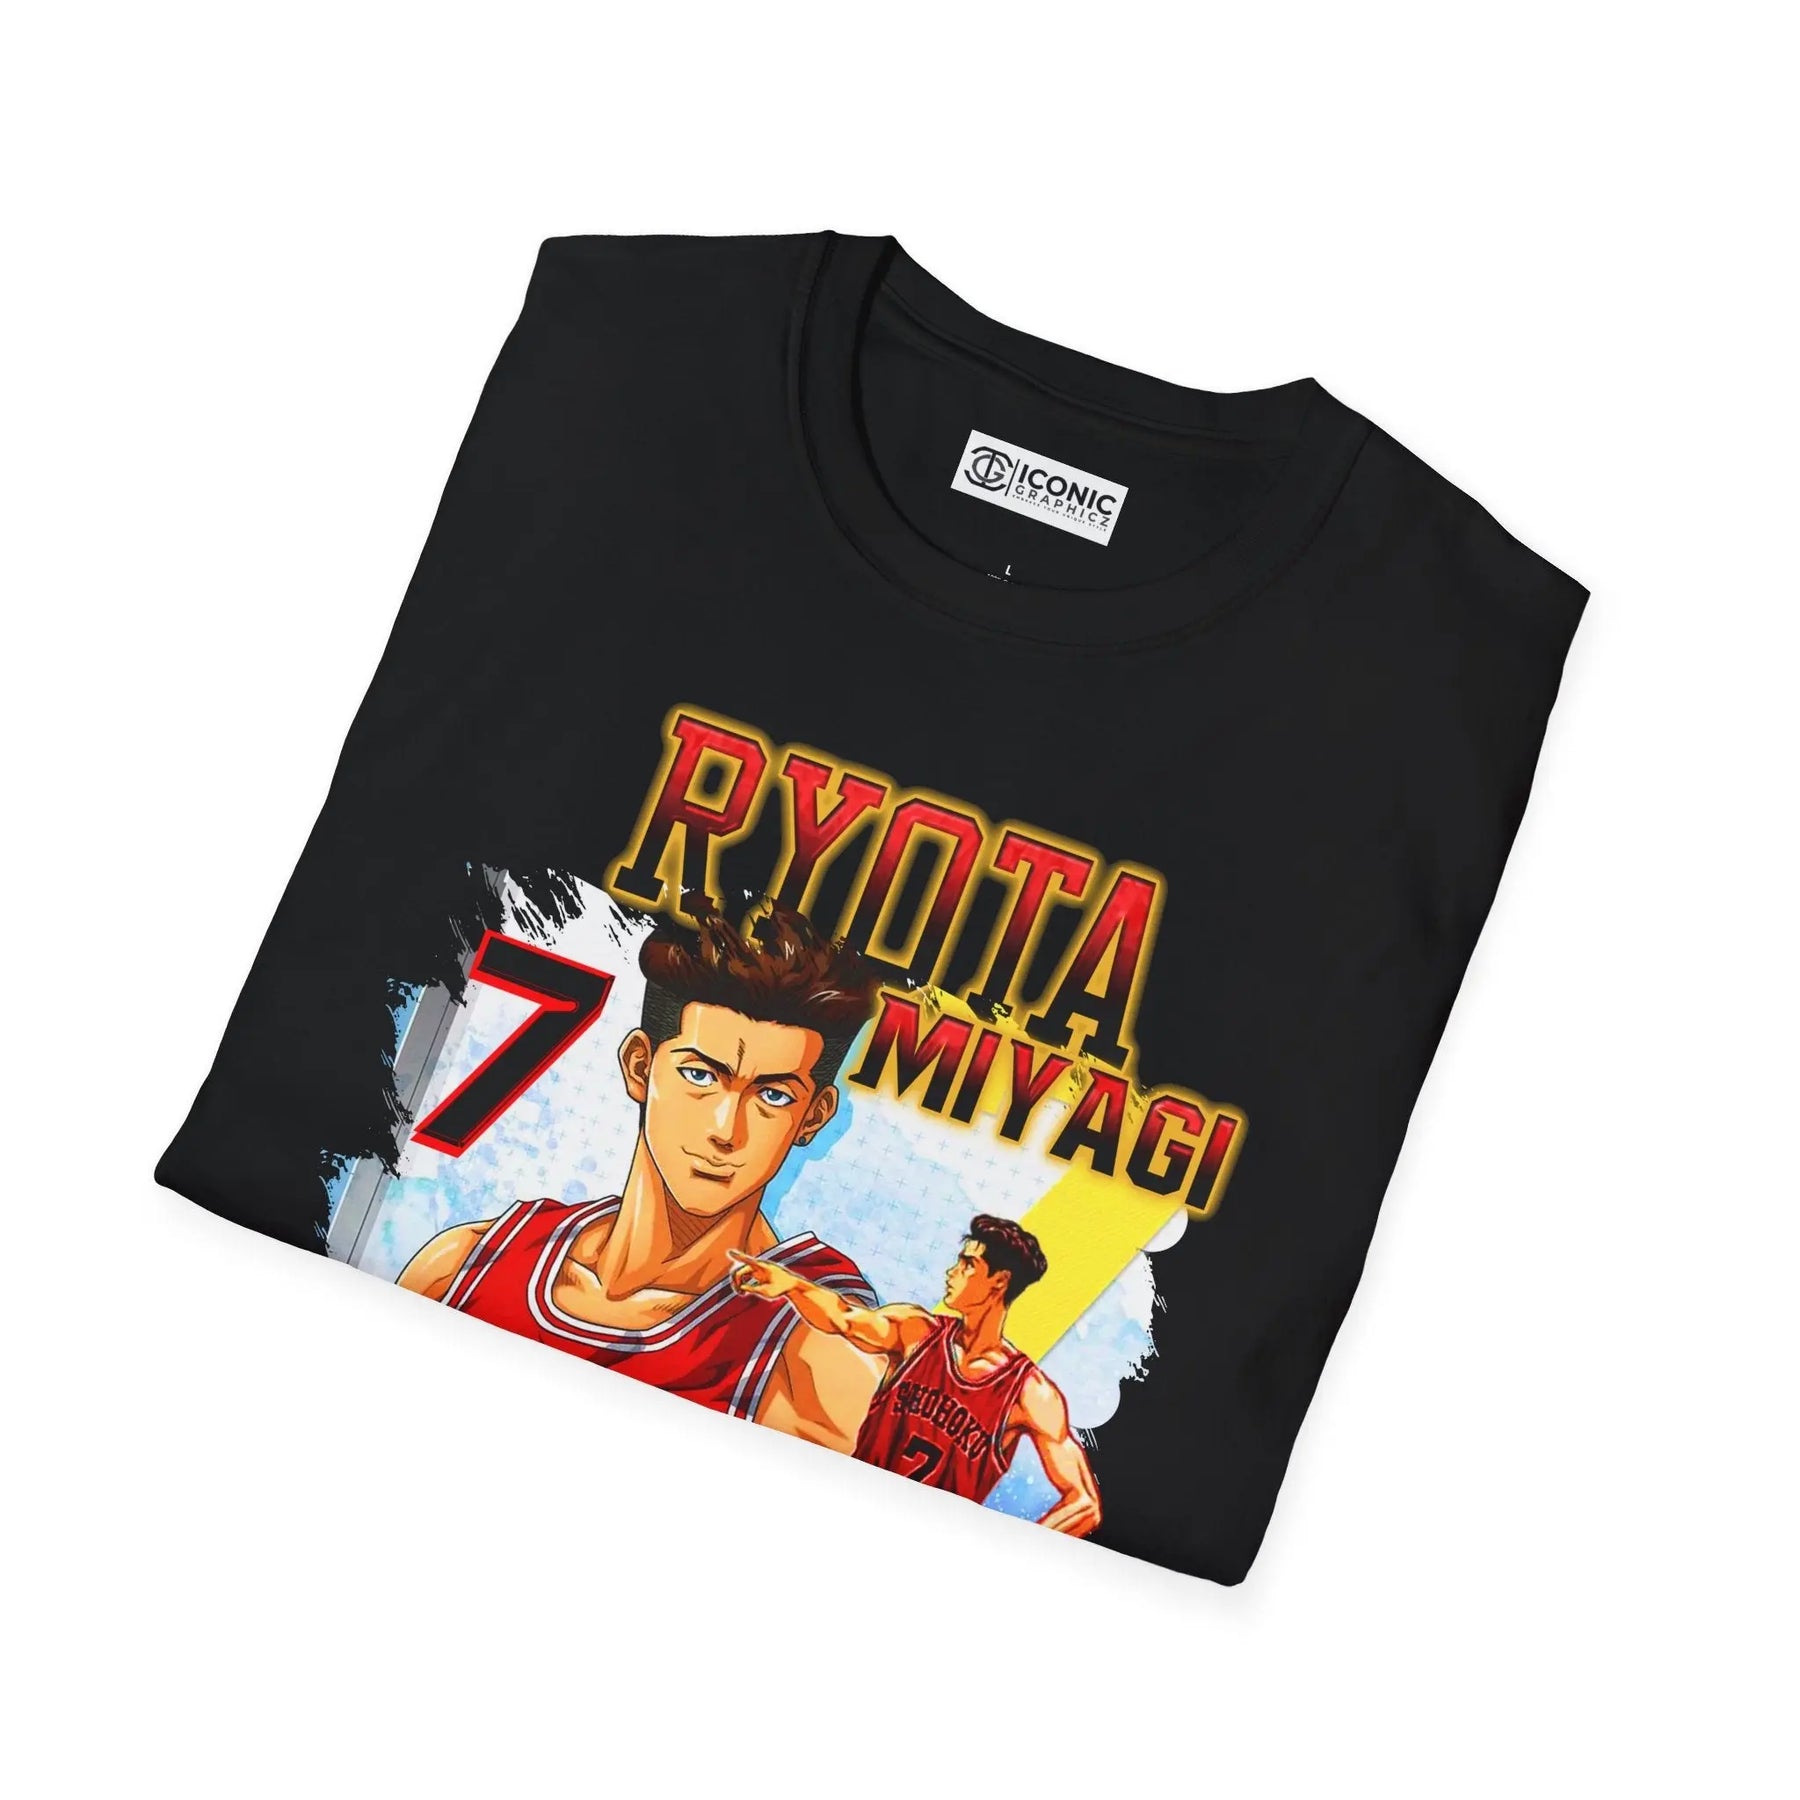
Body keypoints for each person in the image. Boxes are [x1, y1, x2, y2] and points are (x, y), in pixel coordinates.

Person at [399, 902, 884, 1448]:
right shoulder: (467, 1265)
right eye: (700, 1075)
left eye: (772, 1096)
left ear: (813, 1117)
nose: (726, 1130)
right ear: (639, 1066)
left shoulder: (817, 1352)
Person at [730, 1214, 1101, 1534]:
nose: (952, 1272)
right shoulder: (916, 1331)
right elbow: (845, 1318)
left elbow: (1085, 1503)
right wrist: (793, 1285)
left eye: (967, 1264)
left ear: (999, 1282)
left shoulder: (1029, 1392)